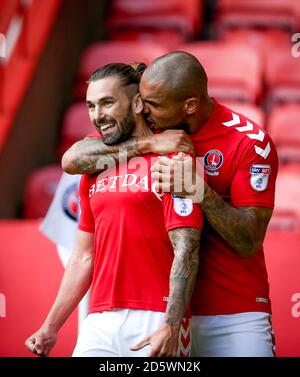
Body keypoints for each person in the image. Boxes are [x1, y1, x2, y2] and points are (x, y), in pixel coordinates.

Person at [62, 51, 279, 357]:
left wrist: (198, 190)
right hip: (161, 316)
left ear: (189, 105)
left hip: (232, 314)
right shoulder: (154, 131)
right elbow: (73, 159)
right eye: (140, 100)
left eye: (151, 104)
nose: (142, 110)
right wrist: (148, 143)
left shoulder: (248, 142)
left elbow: (249, 240)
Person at [25, 62, 202, 357]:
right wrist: (50, 327)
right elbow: (83, 255)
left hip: (156, 315)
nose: (97, 115)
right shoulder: (94, 166)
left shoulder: (175, 157)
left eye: (107, 103)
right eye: (91, 106)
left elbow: (187, 248)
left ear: (136, 103)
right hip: (99, 319)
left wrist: (172, 323)